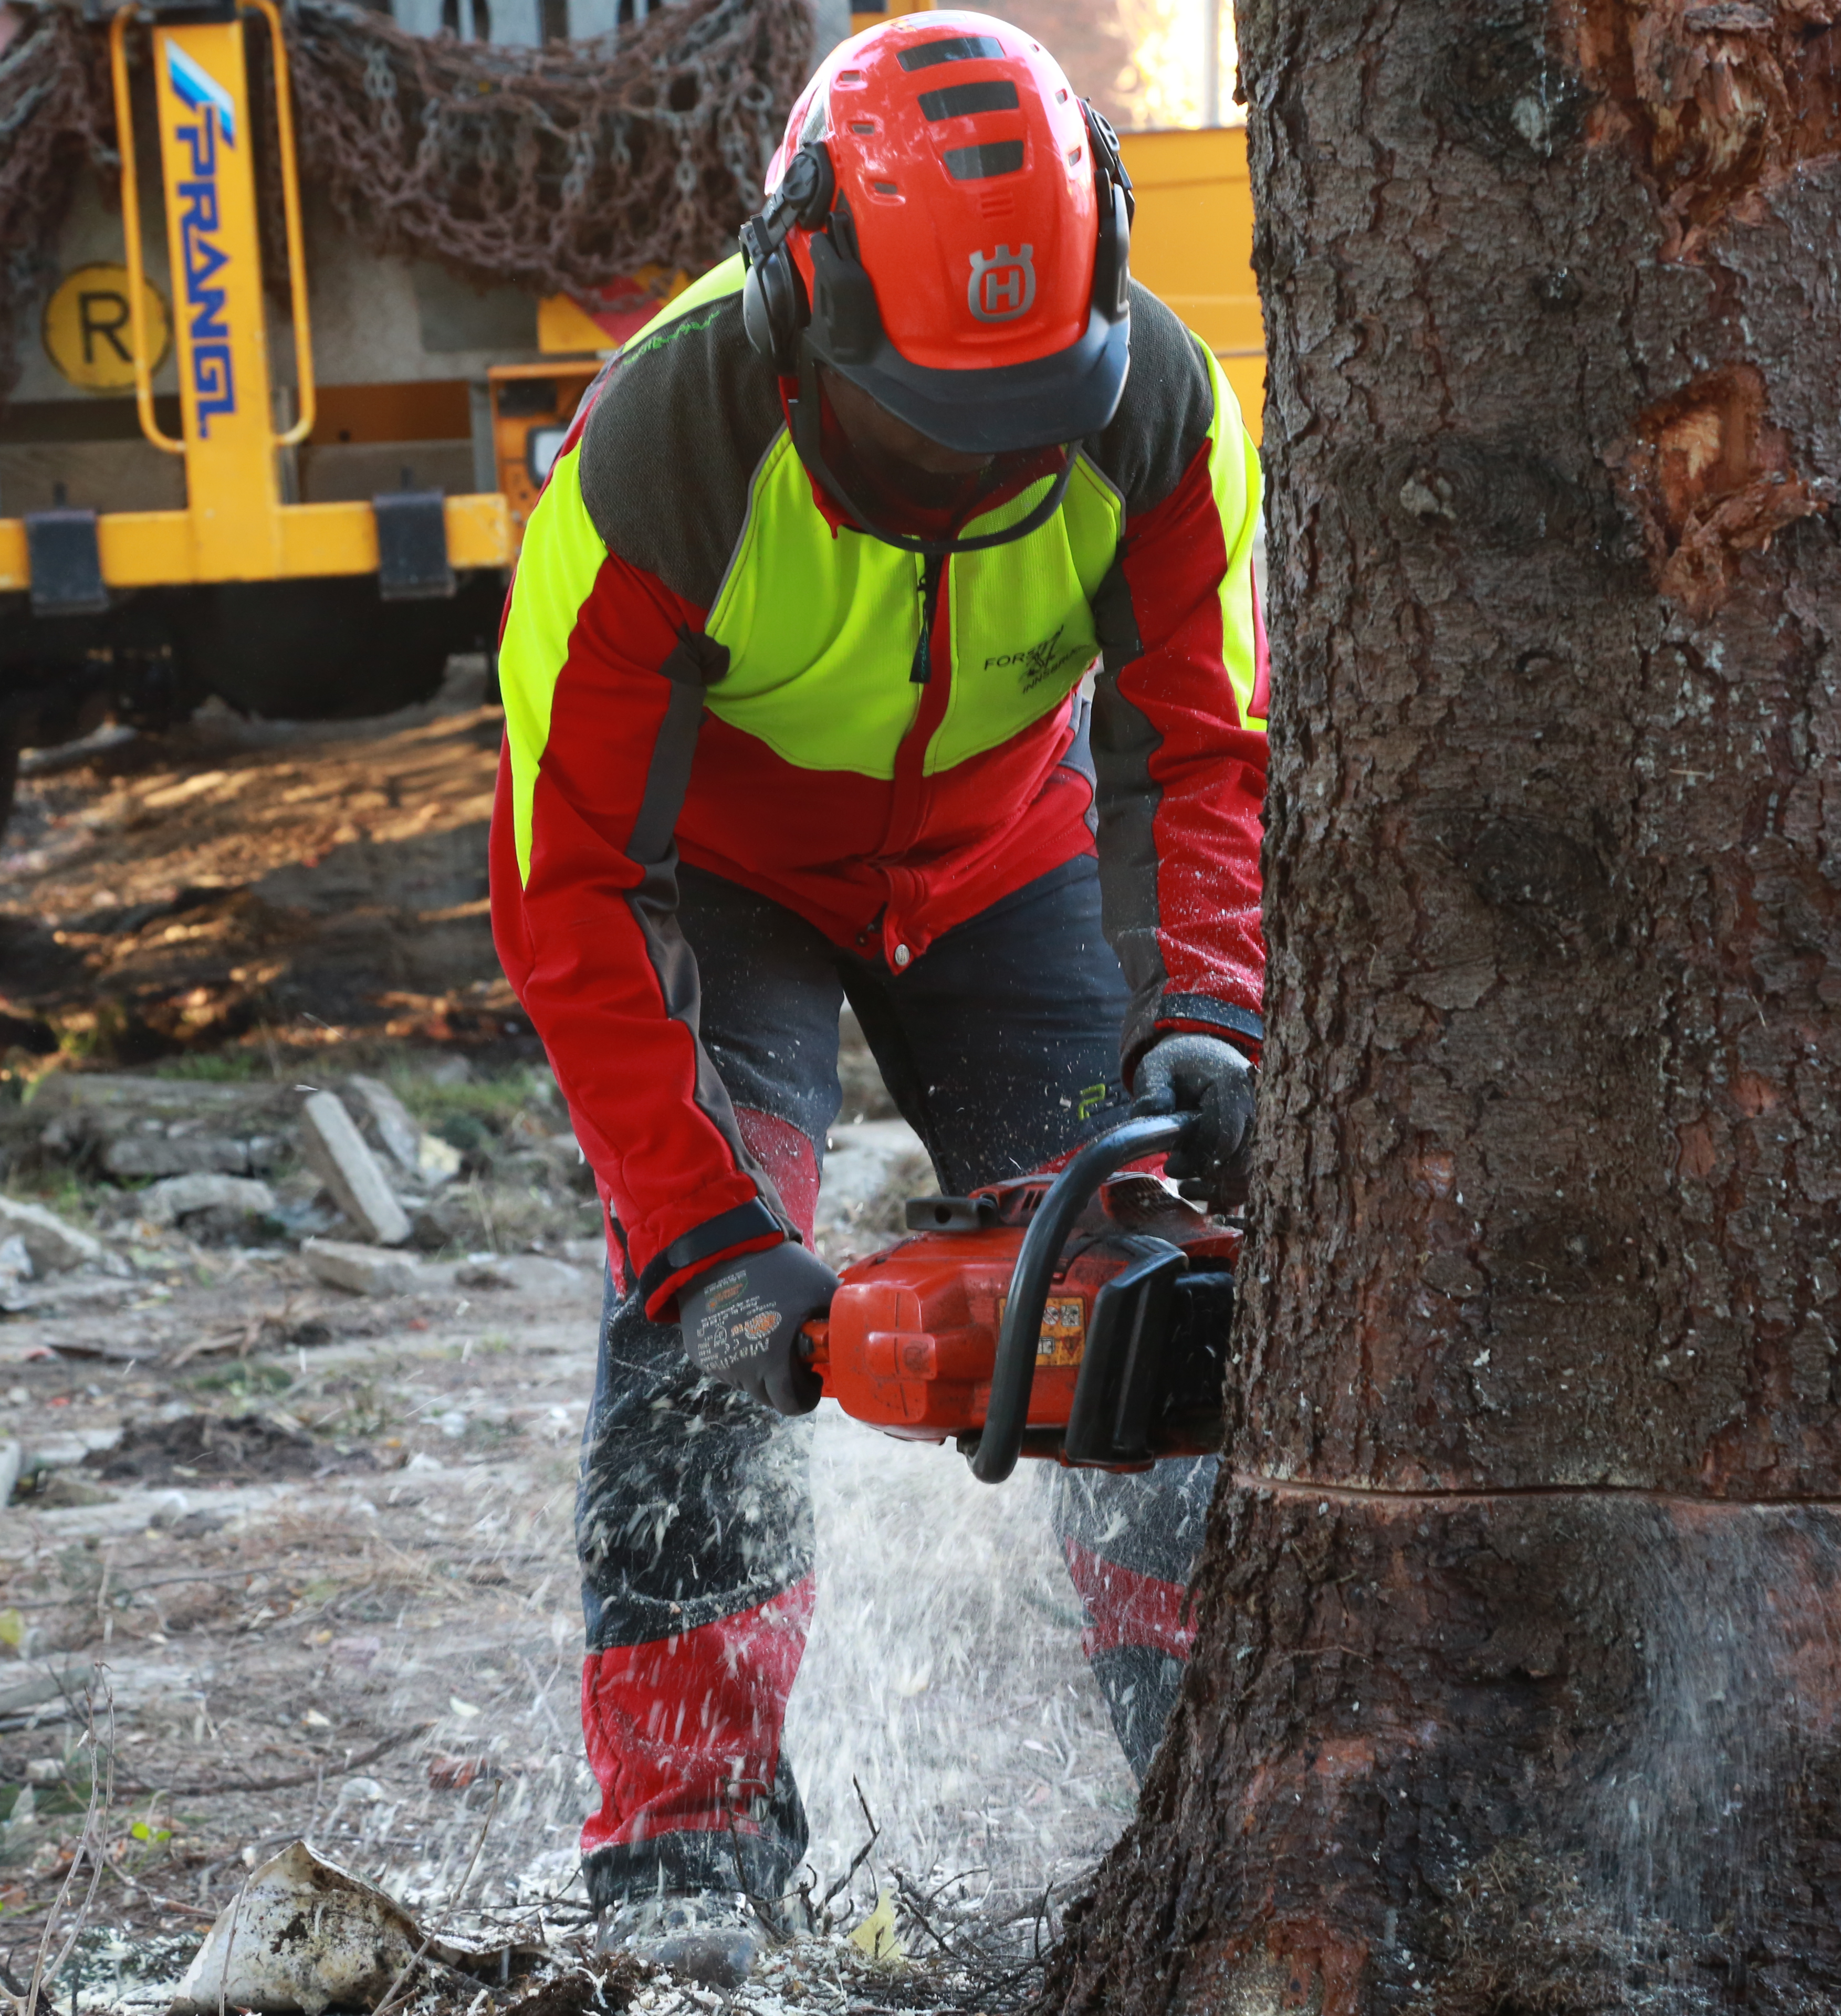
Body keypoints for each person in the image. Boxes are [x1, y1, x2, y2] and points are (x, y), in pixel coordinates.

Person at [488, 10, 1267, 1984]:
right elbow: (562, 881)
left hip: (1006, 859)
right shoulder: (657, 456)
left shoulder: (1161, 410)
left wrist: (1212, 1008)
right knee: (689, 1333)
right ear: (804, 293)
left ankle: (1207, 1773)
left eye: (1025, 411)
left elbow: (1209, 747)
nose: (982, 463)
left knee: (1148, 1284)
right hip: (717, 878)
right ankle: (682, 1853)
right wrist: (707, 1237)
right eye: (932, 418)